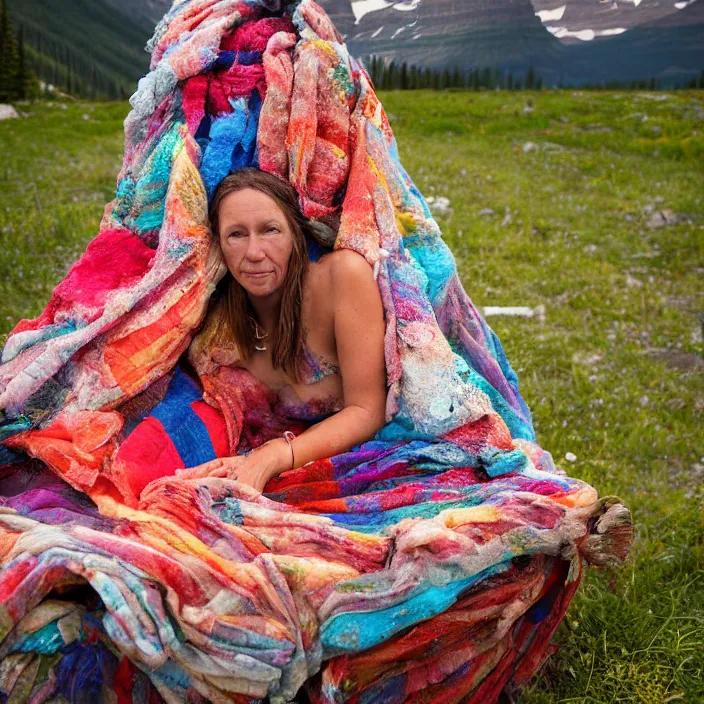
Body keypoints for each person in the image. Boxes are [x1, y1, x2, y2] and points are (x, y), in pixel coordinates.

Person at [176, 168, 387, 492]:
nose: (255, 253)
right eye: (236, 234)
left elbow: (367, 410)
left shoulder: (341, 278)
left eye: (270, 230)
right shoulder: (212, 317)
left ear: (296, 235)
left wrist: (281, 454)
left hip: (370, 450)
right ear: (218, 243)